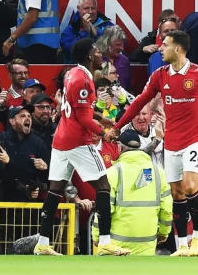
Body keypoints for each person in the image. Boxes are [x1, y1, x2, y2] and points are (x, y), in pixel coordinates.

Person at [115, 30, 198, 256]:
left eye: (165, 44)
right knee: (177, 194)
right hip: (171, 142)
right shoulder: (160, 75)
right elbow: (140, 101)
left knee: (190, 187)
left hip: (195, 140)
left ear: (177, 49)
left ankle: (197, 238)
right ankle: (183, 245)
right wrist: (118, 127)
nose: (160, 48)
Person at [33, 39, 130, 256]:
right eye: (97, 51)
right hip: (78, 141)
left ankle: (43, 243)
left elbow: (79, 109)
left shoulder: (72, 73)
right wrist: (104, 133)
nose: (100, 54)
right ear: (89, 56)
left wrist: (101, 118)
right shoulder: (85, 81)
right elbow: (82, 117)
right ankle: (105, 242)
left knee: (55, 190)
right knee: (104, 187)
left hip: (61, 140)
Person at [102, 128, 173, 255]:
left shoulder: (113, 173)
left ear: (120, 148)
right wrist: (164, 232)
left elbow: (104, 210)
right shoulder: (158, 172)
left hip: (117, 245)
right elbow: (167, 208)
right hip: (148, 243)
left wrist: (98, 236)